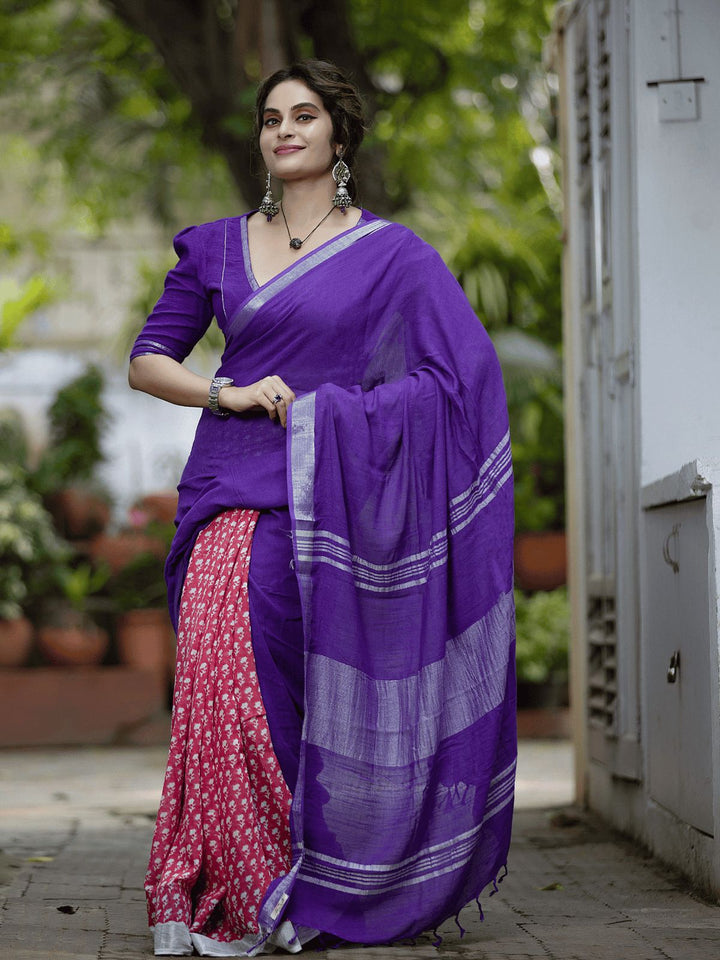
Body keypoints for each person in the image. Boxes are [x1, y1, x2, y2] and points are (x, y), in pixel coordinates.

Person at [129, 58, 516, 958]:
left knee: (314, 681)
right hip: (235, 489)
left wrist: (330, 415)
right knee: (230, 667)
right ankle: (243, 882)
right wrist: (223, 394)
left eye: (305, 116)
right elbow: (149, 357)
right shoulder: (218, 247)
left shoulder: (393, 257)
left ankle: (324, 875)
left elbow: (460, 378)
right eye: (271, 118)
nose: (285, 130)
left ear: (339, 135)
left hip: (345, 506)